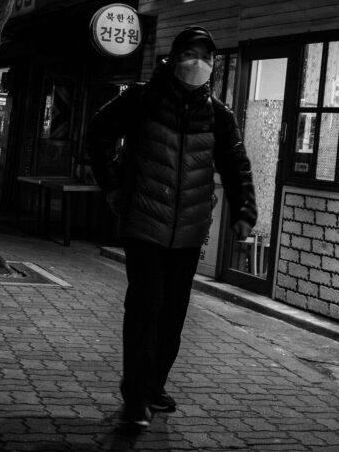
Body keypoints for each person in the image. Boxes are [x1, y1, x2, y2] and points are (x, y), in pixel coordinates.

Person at [87, 25, 257, 430]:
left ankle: (153, 385)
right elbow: (99, 134)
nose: (198, 62)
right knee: (145, 307)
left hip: (189, 230)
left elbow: (236, 165)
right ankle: (136, 397)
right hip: (144, 224)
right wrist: (113, 186)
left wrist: (245, 212)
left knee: (173, 314)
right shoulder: (142, 99)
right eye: (190, 53)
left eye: (206, 55)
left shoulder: (218, 115)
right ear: (174, 57)